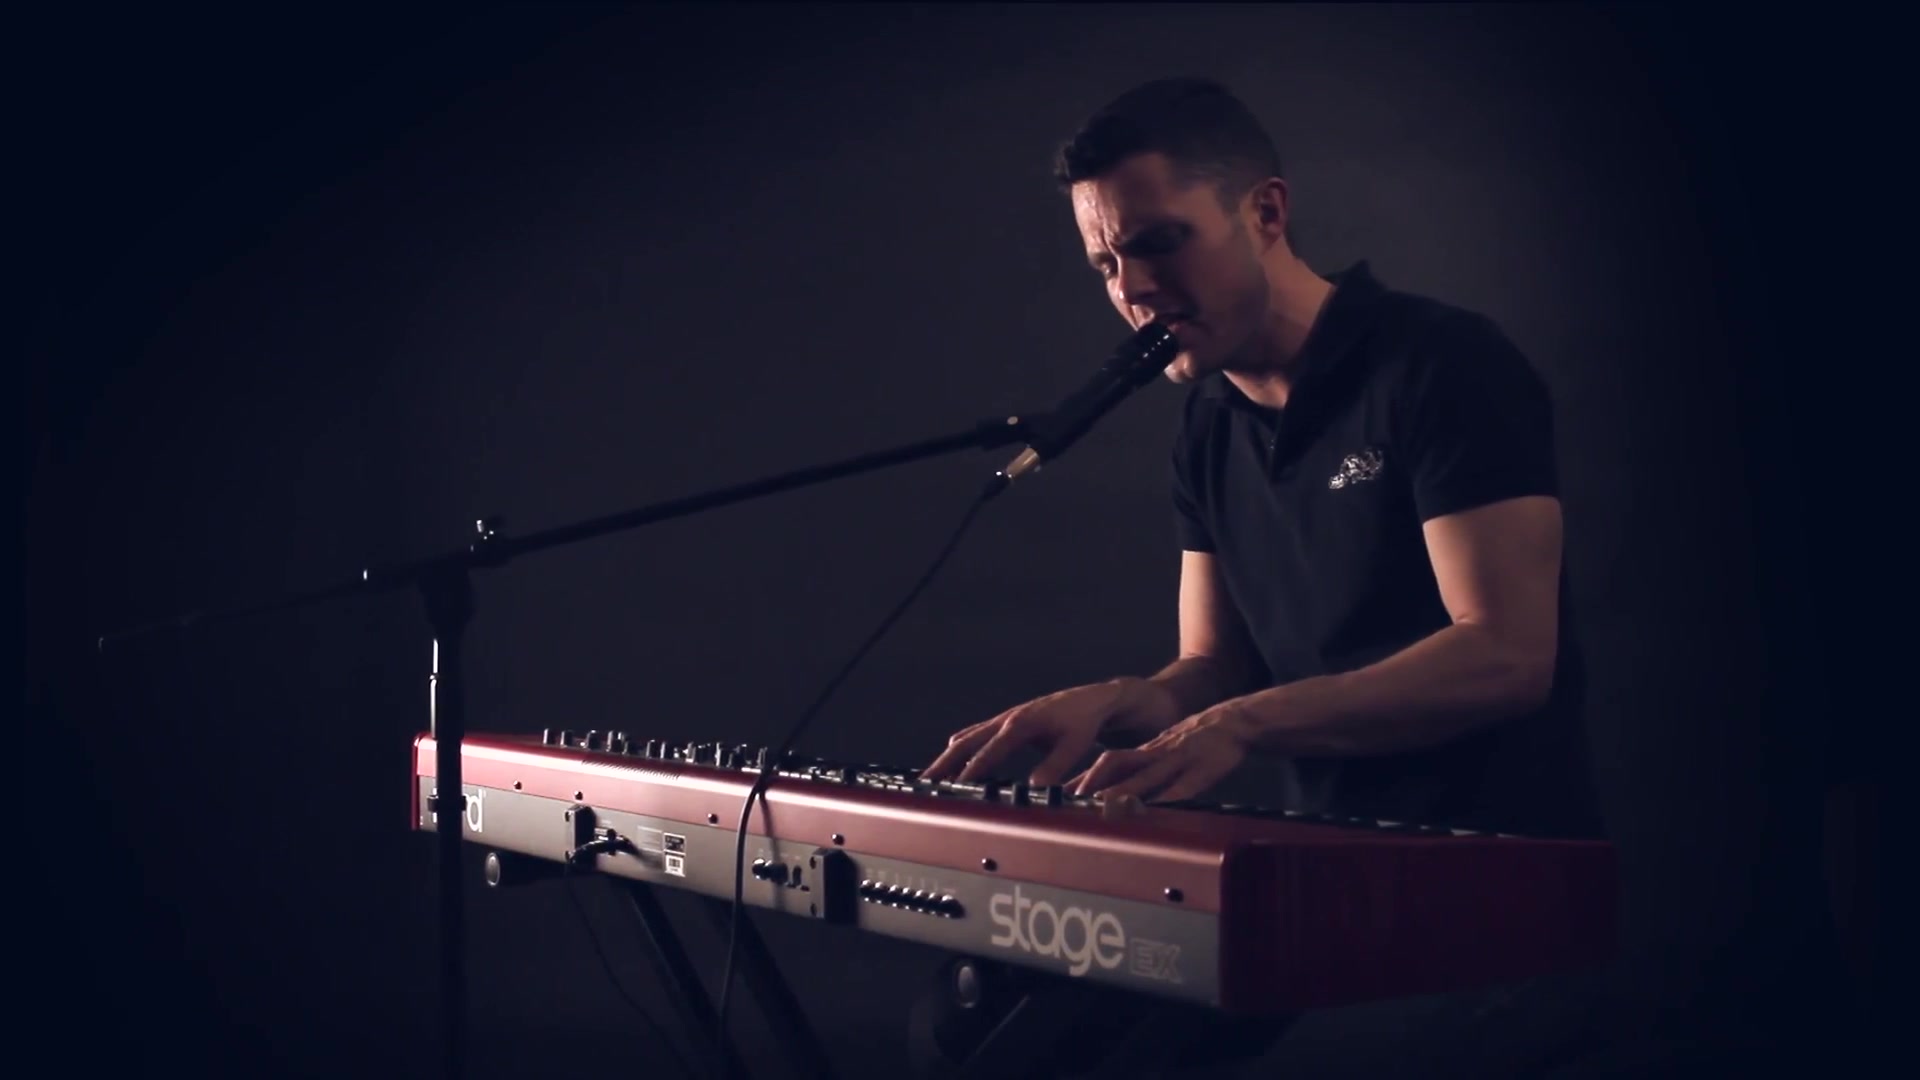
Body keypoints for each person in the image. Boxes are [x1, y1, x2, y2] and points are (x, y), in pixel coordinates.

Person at [920, 76, 1603, 843]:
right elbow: (1213, 669)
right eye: (1106, 265)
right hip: (1321, 858)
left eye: (1158, 243)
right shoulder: (1207, 424)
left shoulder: (1442, 363)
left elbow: (1506, 655)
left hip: (1497, 863)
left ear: (1267, 213)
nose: (1133, 289)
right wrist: (1113, 701)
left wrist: (1243, 722)